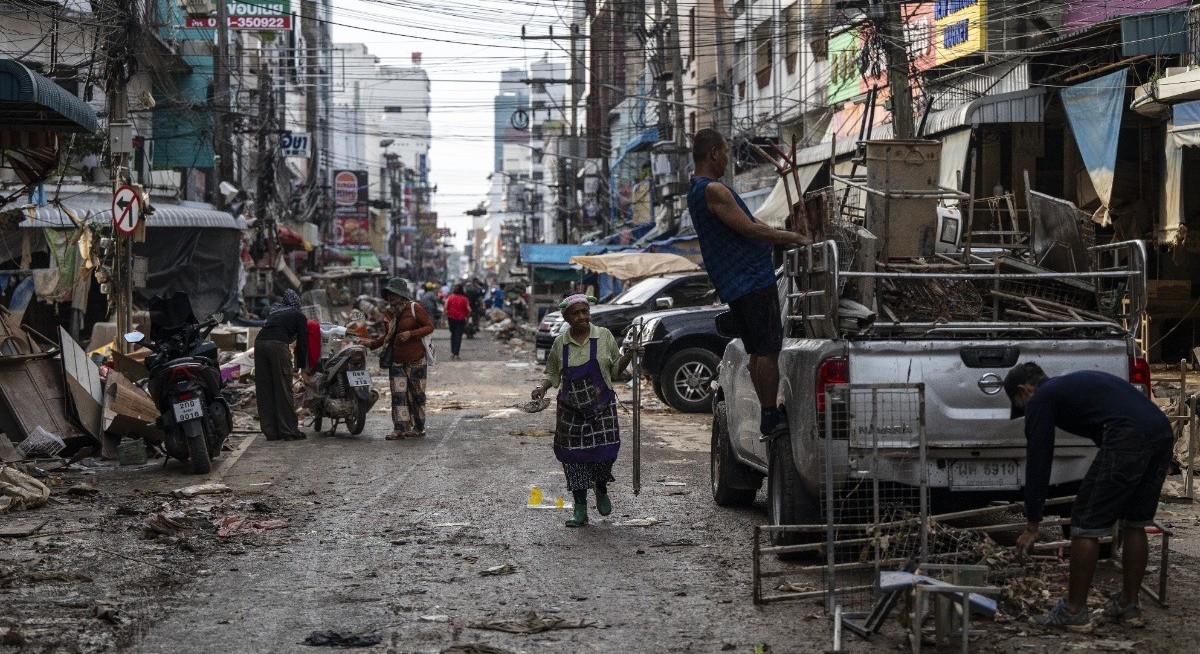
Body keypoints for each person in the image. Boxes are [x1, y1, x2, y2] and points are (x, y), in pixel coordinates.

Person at [1005, 362, 1173, 631]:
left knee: (1084, 522)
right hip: (1160, 431)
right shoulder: (1071, 387)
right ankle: (1129, 607)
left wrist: (1032, 524)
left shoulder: (1042, 398)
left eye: (1020, 404)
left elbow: (1039, 459)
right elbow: (1099, 430)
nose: (1025, 411)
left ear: (1025, 390)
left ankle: (1074, 611)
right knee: (1135, 521)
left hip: (1128, 435)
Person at [687, 128, 810, 436]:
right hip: (750, 280)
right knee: (768, 350)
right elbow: (749, 230)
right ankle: (769, 415)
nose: (728, 158)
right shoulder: (713, 190)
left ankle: (768, 412)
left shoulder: (698, 189)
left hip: (738, 282)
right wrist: (793, 237)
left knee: (758, 350)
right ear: (714, 152)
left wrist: (777, 231)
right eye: (726, 151)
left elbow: (752, 223)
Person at [531, 294, 639, 528]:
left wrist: (629, 355)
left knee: (606, 453)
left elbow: (614, 372)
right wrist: (541, 388)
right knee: (573, 460)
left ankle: (600, 488)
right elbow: (551, 373)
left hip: (603, 408)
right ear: (567, 318)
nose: (581, 317)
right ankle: (580, 508)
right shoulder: (561, 343)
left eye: (584, 312)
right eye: (575, 313)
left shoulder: (604, 336)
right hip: (571, 410)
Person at [368, 278, 434, 440]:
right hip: (397, 359)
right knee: (398, 395)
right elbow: (389, 335)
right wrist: (372, 344)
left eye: (394, 294)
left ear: (401, 295)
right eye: (389, 294)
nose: (391, 297)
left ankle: (418, 427)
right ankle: (399, 428)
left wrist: (411, 334)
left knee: (417, 395)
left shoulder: (414, 308)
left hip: (416, 359)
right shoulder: (390, 313)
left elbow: (429, 327)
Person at [254, 289, 309, 441]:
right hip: (277, 346)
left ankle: (271, 431)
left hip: (259, 344)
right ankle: (288, 431)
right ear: (297, 302)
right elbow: (302, 344)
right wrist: (301, 367)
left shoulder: (275, 311)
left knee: (265, 389)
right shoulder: (299, 315)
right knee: (283, 388)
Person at [444, 283, 471, 360]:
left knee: (453, 335)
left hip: (451, 319)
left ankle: (452, 353)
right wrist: (467, 318)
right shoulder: (465, 299)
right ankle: (456, 354)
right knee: (458, 336)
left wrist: (445, 317)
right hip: (461, 319)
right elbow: (469, 310)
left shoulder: (450, 297)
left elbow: (445, 308)